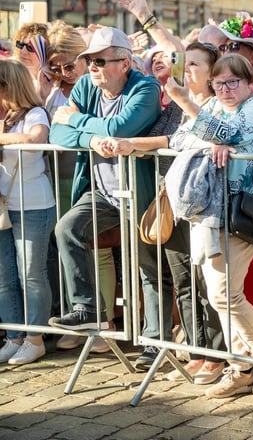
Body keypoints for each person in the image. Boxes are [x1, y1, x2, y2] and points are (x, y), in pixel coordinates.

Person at [100, 41, 227, 384]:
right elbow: (166, 140)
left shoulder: (216, 107)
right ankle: (198, 352)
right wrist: (129, 144)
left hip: (203, 205)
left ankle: (217, 354)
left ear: (213, 72)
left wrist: (147, 18)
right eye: (183, 64)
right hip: (171, 200)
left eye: (194, 64)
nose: (186, 70)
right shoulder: (172, 108)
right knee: (183, 280)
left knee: (205, 282)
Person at [164, 53, 253, 398]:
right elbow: (179, 139)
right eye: (220, 83)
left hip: (244, 210)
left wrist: (186, 102)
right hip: (210, 210)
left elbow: (235, 133)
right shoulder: (214, 108)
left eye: (234, 81)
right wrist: (214, 140)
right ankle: (244, 366)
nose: (227, 89)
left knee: (225, 294)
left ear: (249, 83)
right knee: (218, 294)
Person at [47, 27, 170, 369]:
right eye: (88, 60)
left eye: (100, 61)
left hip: (140, 192)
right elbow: (58, 131)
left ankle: (156, 341)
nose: (92, 68)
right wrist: (89, 140)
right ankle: (89, 310)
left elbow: (122, 128)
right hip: (101, 190)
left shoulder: (145, 87)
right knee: (67, 229)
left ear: (125, 63)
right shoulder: (87, 86)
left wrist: (78, 121)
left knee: (149, 267)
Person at [0, 59, 56, 365]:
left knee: (31, 274)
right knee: (4, 276)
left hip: (33, 204)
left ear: (8, 87)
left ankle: (35, 338)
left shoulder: (35, 113)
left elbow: (35, 141)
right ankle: (14, 336)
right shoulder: (5, 116)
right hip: (4, 206)